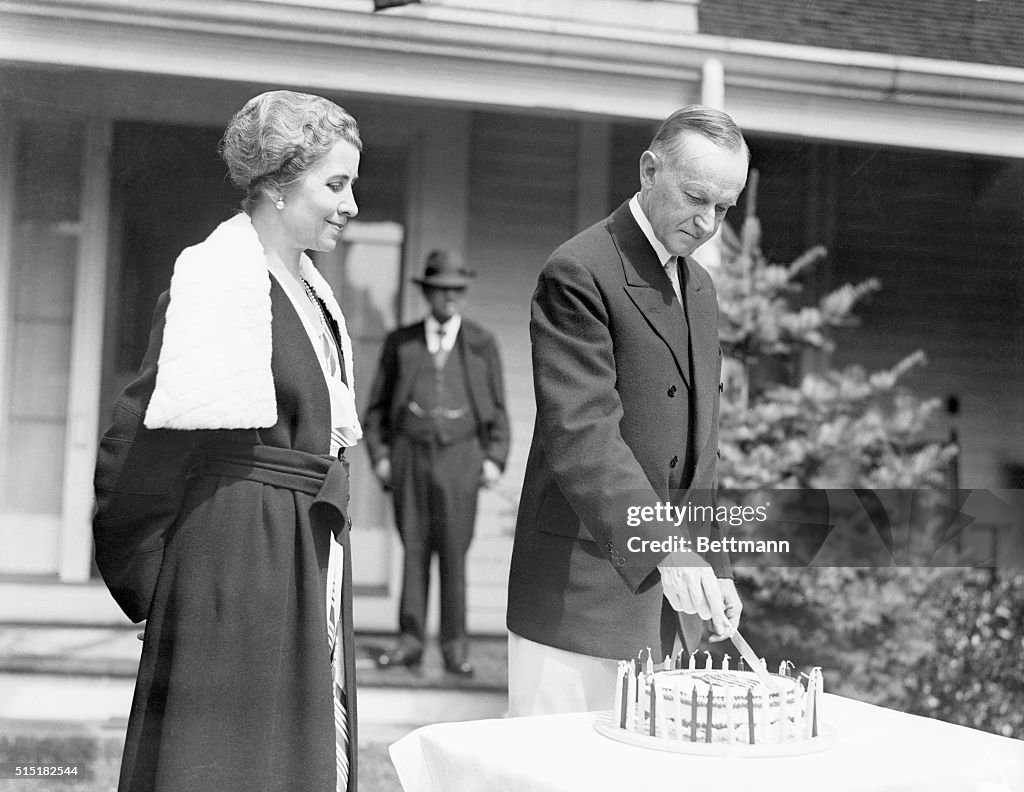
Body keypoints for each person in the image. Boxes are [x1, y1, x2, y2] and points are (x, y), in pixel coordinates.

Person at [92, 90, 363, 792]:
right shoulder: (221, 283)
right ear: (278, 183)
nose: (351, 205)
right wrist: (164, 584)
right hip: (236, 560)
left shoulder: (309, 291)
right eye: (336, 184)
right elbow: (139, 443)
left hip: (300, 547)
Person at [506, 105, 749, 716]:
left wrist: (713, 566)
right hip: (578, 597)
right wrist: (669, 548)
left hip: (666, 606)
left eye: (724, 208)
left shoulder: (701, 288)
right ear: (648, 171)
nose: (708, 222)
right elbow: (582, 434)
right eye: (695, 197)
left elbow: (699, 449)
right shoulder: (579, 270)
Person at [363, 250, 510, 677]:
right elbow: (376, 409)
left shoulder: (481, 344)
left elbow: (499, 409)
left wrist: (495, 459)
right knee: (413, 550)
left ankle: (454, 648)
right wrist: (382, 457)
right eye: (442, 289)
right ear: (427, 293)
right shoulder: (402, 343)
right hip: (409, 457)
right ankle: (409, 643)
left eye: (457, 290)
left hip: (462, 459)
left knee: (453, 553)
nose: (450, 297)